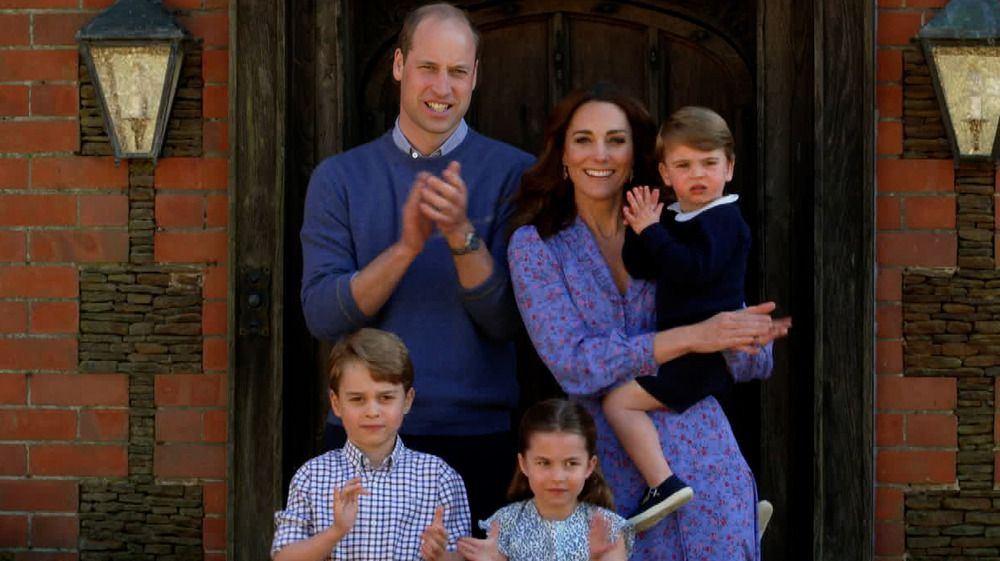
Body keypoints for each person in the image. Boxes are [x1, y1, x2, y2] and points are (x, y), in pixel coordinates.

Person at [507, 83, 789, 560]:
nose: (601, 153)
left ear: (636, 155)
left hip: (706, 462)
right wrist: (692, 338)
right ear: (563, 155)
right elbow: (573, 364)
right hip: (605, 478)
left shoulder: (680, 226)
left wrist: (750, 338)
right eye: (583, 139)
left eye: (616, 140)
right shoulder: (537, 247)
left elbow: (749, 358)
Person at [299, 1, 534, 529]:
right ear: (399, 65)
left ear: (476, 76)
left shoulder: (516, 175)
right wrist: (405, 247)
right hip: (364, 437)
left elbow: (508, 323)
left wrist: (460, 236)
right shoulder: (338, 178)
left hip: (478, 437)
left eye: (457, 72)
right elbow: (323, 317)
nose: (442, 88)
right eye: (428, 68)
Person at [601, 107, 751, 531]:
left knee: (618, 402)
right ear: (666, 174)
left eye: (709, 163)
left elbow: (690, 270)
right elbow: (642, 265)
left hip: (703, 357)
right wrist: (640, 225)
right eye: (684, 165)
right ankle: (732, 509)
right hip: (683, 351)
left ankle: (662, 485)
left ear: (730, 167)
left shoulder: (724, 220)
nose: (698, 174)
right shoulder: (677, 218)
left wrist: (653, 230)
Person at [271, 328, 470, 561]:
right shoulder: (312, 476)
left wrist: (441, 555)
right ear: (336, 403)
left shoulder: (439, 478)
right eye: (357, 399)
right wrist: (336, 532)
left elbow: (464, 556)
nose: (372, 412)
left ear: (407, 400)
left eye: (386, 398)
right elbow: (284, 556)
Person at [457, 399, 633, 561]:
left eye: (571, 463)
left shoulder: (607, 528)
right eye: (544, 463)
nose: (557, 477)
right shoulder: (504, 524)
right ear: (524, 464)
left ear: (589, 466)